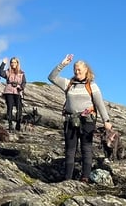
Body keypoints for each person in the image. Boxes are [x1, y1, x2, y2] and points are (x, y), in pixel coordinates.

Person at [48, 54, 112, 183]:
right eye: (75, 70)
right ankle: (67, 178)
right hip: (70, 120)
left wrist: (107, 121)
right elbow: (52, 77)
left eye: (79, 70)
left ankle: (85, 177)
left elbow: (99, 104)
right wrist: (63, 64)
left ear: (86, 70)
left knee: (86, 148)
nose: (77, 72)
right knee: (70, 150)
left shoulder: (92, 85)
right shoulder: (69, 84)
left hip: (87, 121)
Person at [0, 56, 27, 131]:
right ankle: (10, 124)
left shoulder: (21, 73)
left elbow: (24, 82)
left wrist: (21, 87)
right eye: (12, 62)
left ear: (17, 63)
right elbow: (0, 72)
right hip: (9, 91)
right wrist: (3, 63)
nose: (13, 64)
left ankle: (18, 123)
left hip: (18, 91)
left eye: (14, 62)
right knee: (10, 108)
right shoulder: (8, 72)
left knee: (19, 108)